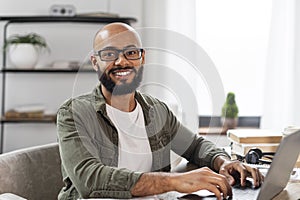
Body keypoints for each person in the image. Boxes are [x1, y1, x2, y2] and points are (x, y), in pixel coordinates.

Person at [57, 22, 263, 200]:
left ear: (142, 57)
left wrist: (224, 162)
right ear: (95, 62)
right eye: (110, 54)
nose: (122, 62)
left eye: (131, 52)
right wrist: (174, 181)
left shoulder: (157, 111)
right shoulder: (74, 113)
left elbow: (195, 146)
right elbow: (89, 179)